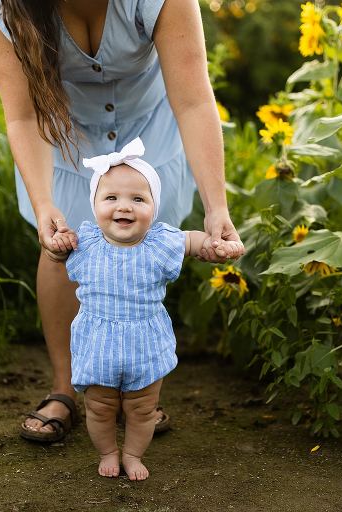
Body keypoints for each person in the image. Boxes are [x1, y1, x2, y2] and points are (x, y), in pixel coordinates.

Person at [0, 0, 245, 443]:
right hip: (65, 135)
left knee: (144, 250)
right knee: (62, 252)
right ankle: (65, 390)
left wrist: (217, 207)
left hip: (151, 129)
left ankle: (138, 392)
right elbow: (23, 115)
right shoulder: (5, 9)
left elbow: (195, 101)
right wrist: (44, 204)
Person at [47, 138, 243, 480]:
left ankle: (134, 454)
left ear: (154, 207)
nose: (125, 206)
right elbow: (56, 252)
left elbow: (193, 241)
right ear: (94, 205)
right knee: (100, 406)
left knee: (143, 408)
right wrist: (56, 245)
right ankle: (108, 451)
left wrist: (215, 245)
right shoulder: (84, 242)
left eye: (138, 198)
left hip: (146, 345)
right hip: (98, 344)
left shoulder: (161, 241)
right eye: (111, 198)